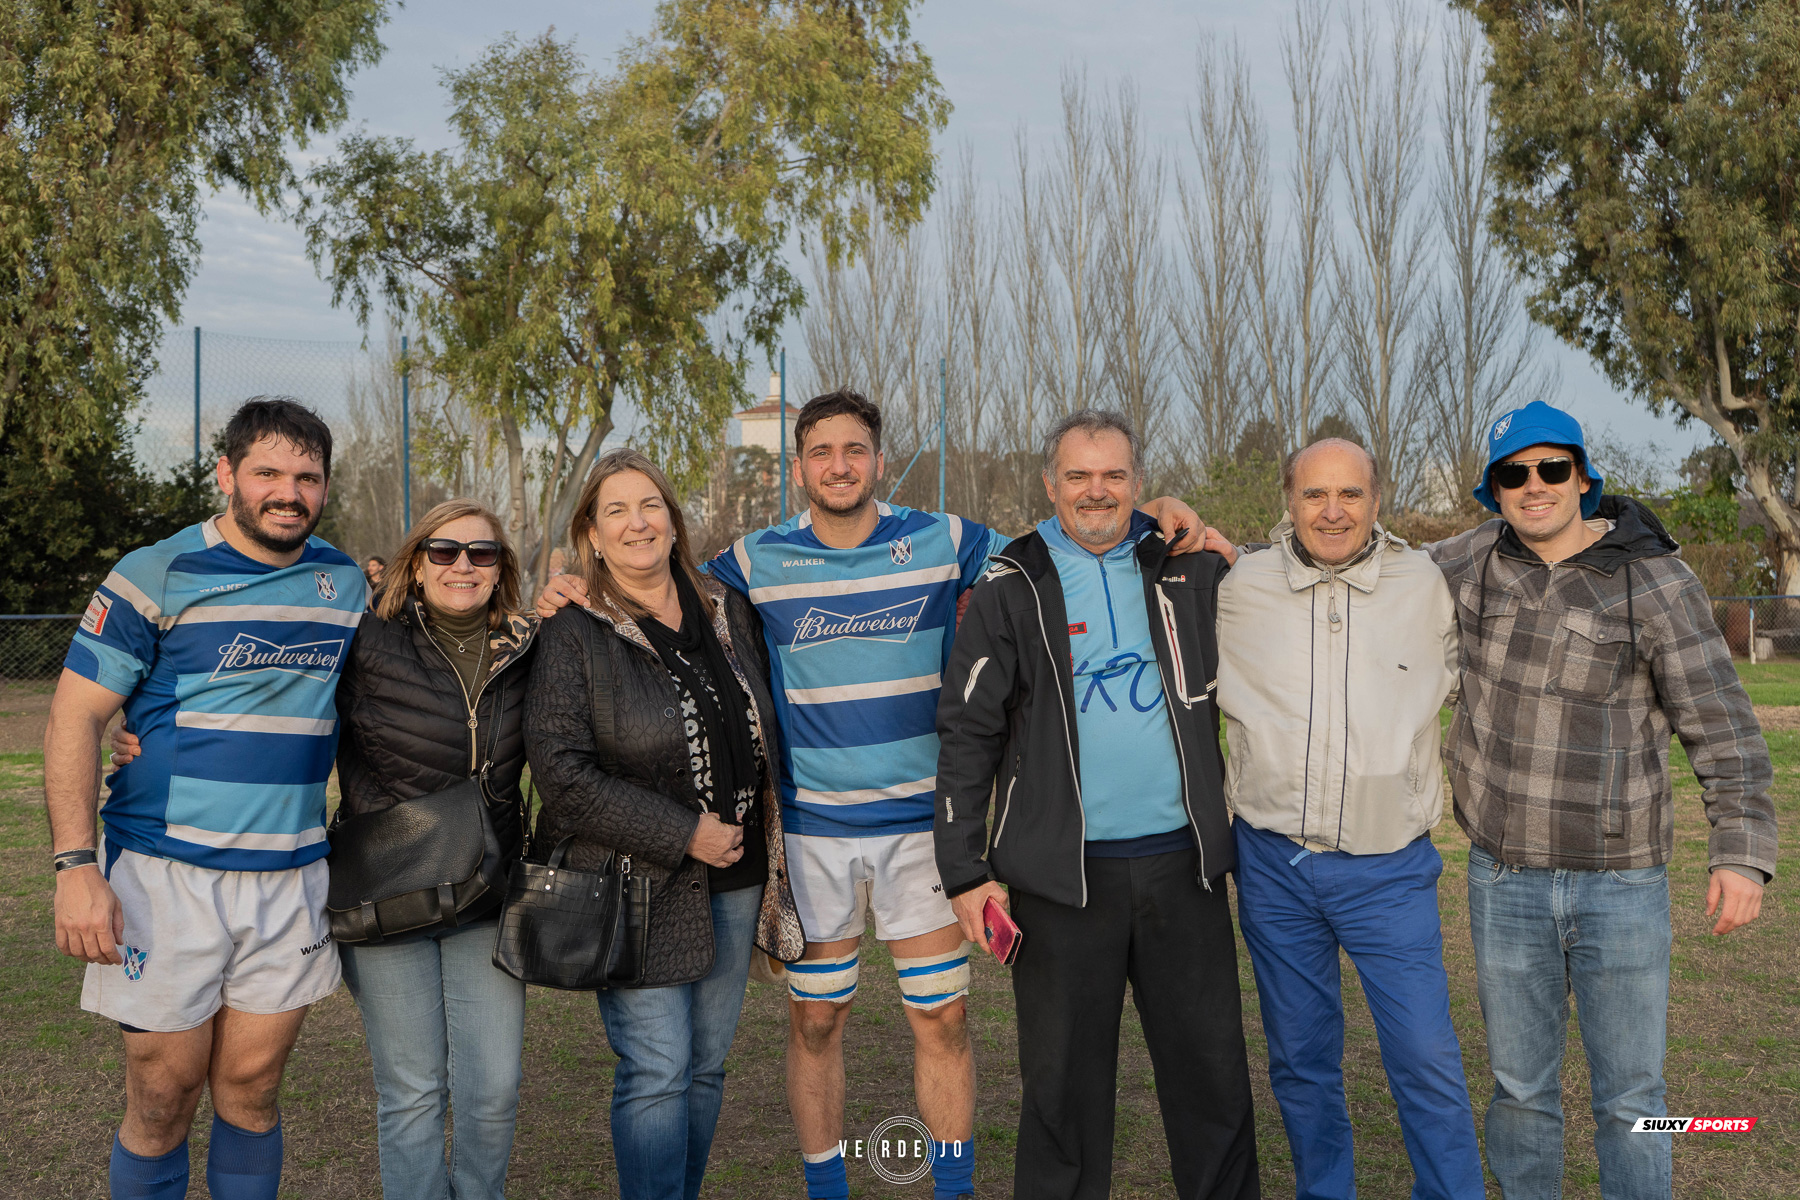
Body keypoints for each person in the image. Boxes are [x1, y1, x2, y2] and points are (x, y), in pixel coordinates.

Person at [537, 389, 1205, 1200]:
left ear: (879, 460)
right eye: (821, 453)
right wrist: (571, 586)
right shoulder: (752, 561)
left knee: (943, 1019)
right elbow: (650, 582)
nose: (839, 465)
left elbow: (1065, 539)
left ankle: (950, 1190)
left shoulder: (947, 539)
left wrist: (1158, 511)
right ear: (799, 469)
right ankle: (828, 1188)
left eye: (855, 450)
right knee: (817, 1020)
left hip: (923, 830)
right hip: (815, 834)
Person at [112, 499, 539, 1200]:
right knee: (413, 1089)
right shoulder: (362, 637)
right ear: (415, 562)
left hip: (487, 892)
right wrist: (133, 720)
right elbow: (260, 683)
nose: (463, 564)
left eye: (482, 553)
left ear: (502, 568)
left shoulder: (530, 645)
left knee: (493, 1088)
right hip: (385, 888)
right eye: (444, 551)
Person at [1428, 402, 1777, 1198]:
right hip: (1505, 881)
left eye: (1552, 468)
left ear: (1584, 477)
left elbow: (1722, 725)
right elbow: (1359, 567)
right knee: (1520, 1093)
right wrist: (1221, 551)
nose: (1534, 486)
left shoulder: (1654, 579)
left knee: (1633, 1100)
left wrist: (1742, 856)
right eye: (1513, 474)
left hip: (1621, 887)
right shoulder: (1473, 558)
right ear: (1494, 491)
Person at [934, 409, 1259, 1200]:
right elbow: (966, 734)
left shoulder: (1185, 567)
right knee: (1063, 1094)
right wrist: (966, 873)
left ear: (1139, 486)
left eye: (1114, 475)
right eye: (1077, 476)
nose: (1096, 491)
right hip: (1061, 880)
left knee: (1212, 1079)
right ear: (1050, 486)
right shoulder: (1012, 582)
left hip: (1184, 868)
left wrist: (1220, 539)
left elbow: (1276, 605)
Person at [45, 397, 365, 1200]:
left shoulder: (346, 582)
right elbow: (75, 717)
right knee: (162, 1097)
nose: (287, 491)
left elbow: (451, 616)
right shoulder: (154, 573)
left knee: (253, 1093)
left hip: (290, 877)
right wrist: (75, 867)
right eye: (267, 473)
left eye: (306, 476)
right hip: (163, 876)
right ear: (227, 474)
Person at [526, 449, 805, 1200]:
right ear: (591, 532)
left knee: (706, 1066)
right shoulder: (575, 629)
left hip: (738, 875)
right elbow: (562, 775)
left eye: (649, 504)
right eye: (615, 510)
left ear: (673, 521)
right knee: (657, 1070)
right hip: (634, 884)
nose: (637, 522)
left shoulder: (724, 606)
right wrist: (685, 832)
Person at [1214, 438, 1483, 1200]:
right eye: (1314, 495)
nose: (1332, 511)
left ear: (1377, 499)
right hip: (1274, 866)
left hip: (1388, 872)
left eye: (1351, 494)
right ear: (1288, 501)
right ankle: (1324, 1190)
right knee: (1300, 1059)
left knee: (1424, 1059)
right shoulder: (1240, 585)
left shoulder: (1427, 584)